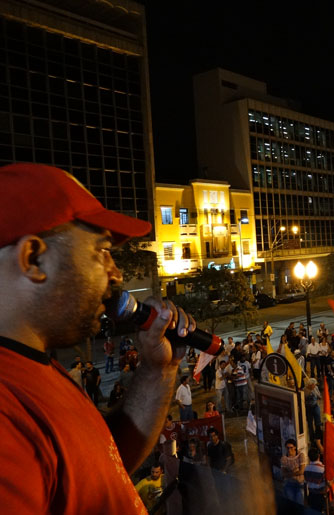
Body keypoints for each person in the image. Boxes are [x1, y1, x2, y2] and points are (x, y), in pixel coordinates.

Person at [0, 163, 197, 512]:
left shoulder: (34, 366)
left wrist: (158, 370)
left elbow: (103, 463)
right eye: (101, 251)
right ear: (34, 259)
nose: (116, 273)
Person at [281, 438, 307, 505]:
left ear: (295, 447)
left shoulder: (300, 455)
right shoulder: (284, 458)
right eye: (287, 448)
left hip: (299, 483)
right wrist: (296, 471)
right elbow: (283, 473)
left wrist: (289, 473)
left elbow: (302, 471)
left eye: (291, 447)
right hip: (289, 484)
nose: (289, 450)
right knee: (291, 505)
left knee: (300, 504)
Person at [304, 447, 327, 513]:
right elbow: (327, 483)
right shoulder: (323, 469)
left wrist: (305, 498)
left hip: (311, 495)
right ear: (318, 456)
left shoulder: (306, 468)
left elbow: (305, 483)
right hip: (320, 496)